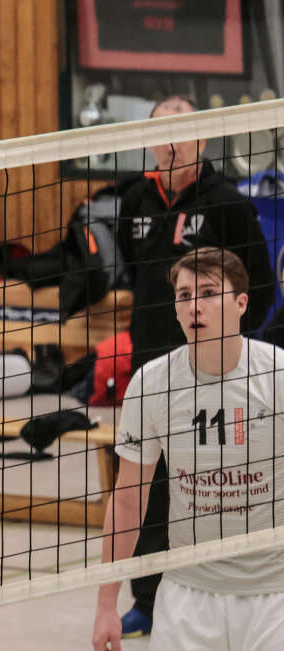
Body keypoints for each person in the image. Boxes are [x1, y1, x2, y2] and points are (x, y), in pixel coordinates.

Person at [114, 95, 274, 637]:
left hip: (216, 372)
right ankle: (145, 596)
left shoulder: (226, 202)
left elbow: (263, 284)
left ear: (202, 140)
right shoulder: (134, 199)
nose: (170, 142)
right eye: (161, 133)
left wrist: (231, 357)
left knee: (207, 484)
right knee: (146, 485)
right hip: (151, 368)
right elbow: (138, 274)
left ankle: (233, 584)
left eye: (181, 132)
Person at [92, 247, 284, 651]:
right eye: (184, 296)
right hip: (188, 594)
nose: (195, 306)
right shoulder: (152, 383)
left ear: (241, 303)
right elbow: (127, 498)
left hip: (275, 594)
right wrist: (107, 603)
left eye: (209, 292)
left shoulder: (278, 377)